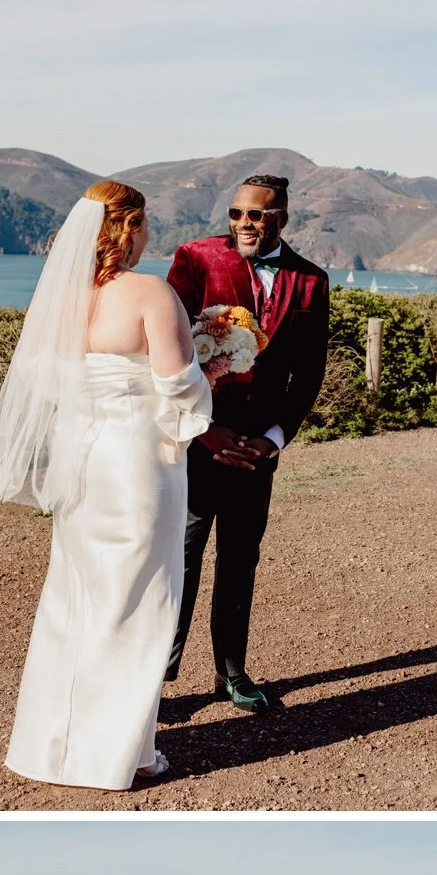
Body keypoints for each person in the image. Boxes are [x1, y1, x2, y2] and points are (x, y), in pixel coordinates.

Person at [0, 180, 213, 790]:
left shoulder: (63, 300)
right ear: (129, 228)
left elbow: (51, 384)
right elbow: (179, 388)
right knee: (136, 602)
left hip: (83, 465)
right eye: (145, 223)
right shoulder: (151, 294)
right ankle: (120, 754)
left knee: (75, 601)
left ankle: (47, 747)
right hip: (138, 465)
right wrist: (215, 364)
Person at [164, 174, 330, 713]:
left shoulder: (311, 282)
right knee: (180, 558)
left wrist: (273, 440)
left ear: (281, 216)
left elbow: (307, 376)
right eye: (236, 214)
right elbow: (166, 355)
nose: (243, 225)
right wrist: (203, 429)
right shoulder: (195, 259)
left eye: (256, 215)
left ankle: (231, 672)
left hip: (256, 449)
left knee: (241, 559)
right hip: (197, 439)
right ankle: (159, 678)